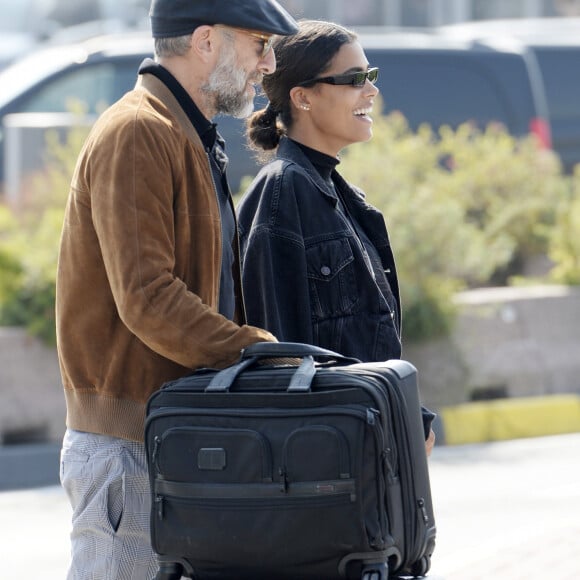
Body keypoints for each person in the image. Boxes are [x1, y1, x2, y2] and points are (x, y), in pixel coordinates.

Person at [55, 1, 298, 578]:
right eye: (259, 45)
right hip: (128, 448)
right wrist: (256, 350)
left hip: (167, 435)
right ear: (206, 42)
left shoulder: (183, 128)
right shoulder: (140, 130)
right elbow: (147, 297)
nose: (266, 66)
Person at [237, 19, 436, 453]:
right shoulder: (282, 192)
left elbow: (364, 336)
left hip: (373, 438)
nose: (370, 90)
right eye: (352, 80)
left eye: (370, 76)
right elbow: (279, 353)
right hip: (330, 457)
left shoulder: (343, 196)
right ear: (302, 97)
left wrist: (409, 412)